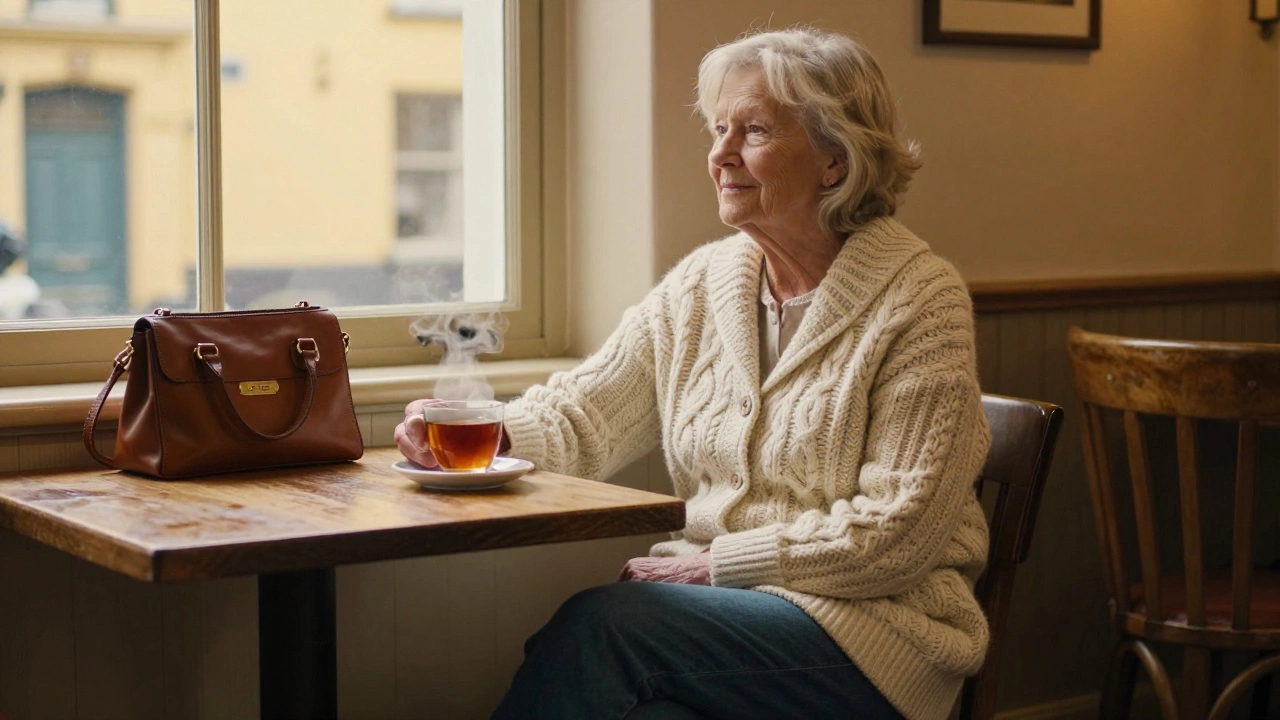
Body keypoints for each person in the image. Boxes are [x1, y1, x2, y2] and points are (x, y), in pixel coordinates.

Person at [396, 26, 990, 720]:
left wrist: (716, 566)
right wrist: (485, 432)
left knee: (605, 627)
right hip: (722, 627)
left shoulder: (919, 299)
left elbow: (897, 535)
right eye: (718, 129)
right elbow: (586, 415)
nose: (720, 154)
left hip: (872, 637)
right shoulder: (704, 284)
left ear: (835, 160)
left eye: (754, 131)